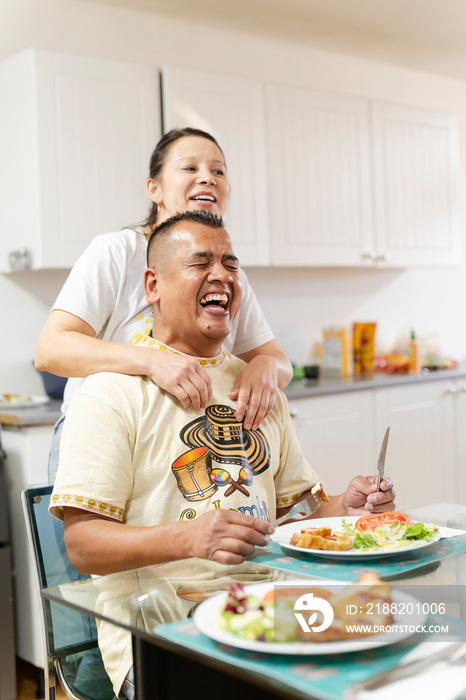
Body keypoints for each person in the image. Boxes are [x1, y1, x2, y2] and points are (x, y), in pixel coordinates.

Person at [50, 211, 395, 697]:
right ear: (153, 285)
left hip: (267, 613)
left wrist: (346, 509)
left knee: (390, 656)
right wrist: (189, 538)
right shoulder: (109, 393)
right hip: (161, 633)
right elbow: (84, 545)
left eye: (231, 264)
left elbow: (300, 515)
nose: (223, 276)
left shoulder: (257, 385)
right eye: (201, 262)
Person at [35, 127, 293, 482]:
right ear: (154, 189)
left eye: (218, 171)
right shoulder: (118, 252)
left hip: (185, 443)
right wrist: (153, 361)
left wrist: (265, 366)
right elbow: (51, 350)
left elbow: (279, 361)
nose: (208, 178)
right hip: (104, 442)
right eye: (190, 168)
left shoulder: (230, 276)